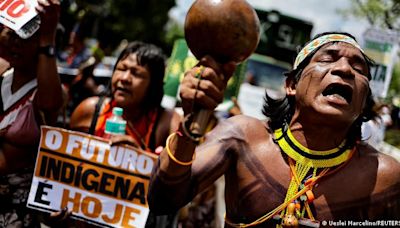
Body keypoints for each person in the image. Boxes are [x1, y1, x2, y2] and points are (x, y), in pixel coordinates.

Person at [148, 32, 400, 227]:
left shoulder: (385, 177)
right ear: (291, 84)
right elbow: (162, 200)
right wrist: (193, 123)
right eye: (328, 58)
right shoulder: (243, 136)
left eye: (358, 69)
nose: (345, 69)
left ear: (365, 99)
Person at [69, 41, 181, 227]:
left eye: (136, 73)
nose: (125, 78)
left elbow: (177, 183)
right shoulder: (89, 110)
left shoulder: (167, 122)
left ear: (153, 84)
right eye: (121, 69)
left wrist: (141, 158)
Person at [0, 0, 64, 226]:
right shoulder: (2, 75)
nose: (16, 43)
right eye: (11, 34)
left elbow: (49, 104)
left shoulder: (47, 91)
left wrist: (48, 37)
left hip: (15, 216)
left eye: (26, 36)